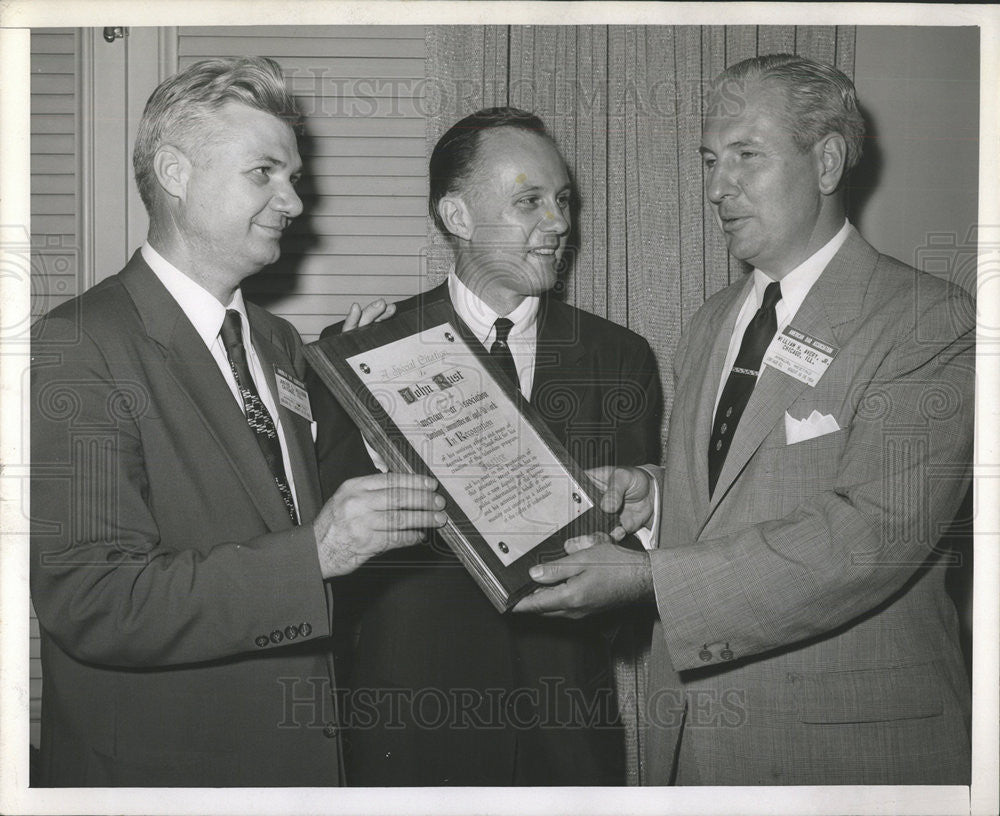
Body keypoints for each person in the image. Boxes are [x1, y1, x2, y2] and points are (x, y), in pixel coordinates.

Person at [515, 54, 974, 786]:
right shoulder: (712, 324)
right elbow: (739, 490)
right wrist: (655, 494)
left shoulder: (927, 320)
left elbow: (871, 537)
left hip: (844, 758)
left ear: (826, 161)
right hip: (698, 744)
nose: (716, 187)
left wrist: (649, 580)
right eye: (708, 160)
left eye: (745, 157)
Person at [29, 56, 445, 787]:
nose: (293, 202)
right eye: (265, 173)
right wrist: (315, 554)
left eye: (294, 178)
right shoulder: (81, 343)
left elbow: (272, 508)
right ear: (175, 171)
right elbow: (92, 600)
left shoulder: (280, 343)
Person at [310, 107, 663, 785]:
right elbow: (321, 554)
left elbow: (639, 550)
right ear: (457, 217)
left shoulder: (620, 358)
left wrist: (629, 566)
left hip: (565, 733)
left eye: (562, 201)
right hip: (407, 725)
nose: (559, 223)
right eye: (529, 201)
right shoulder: (363, 352)